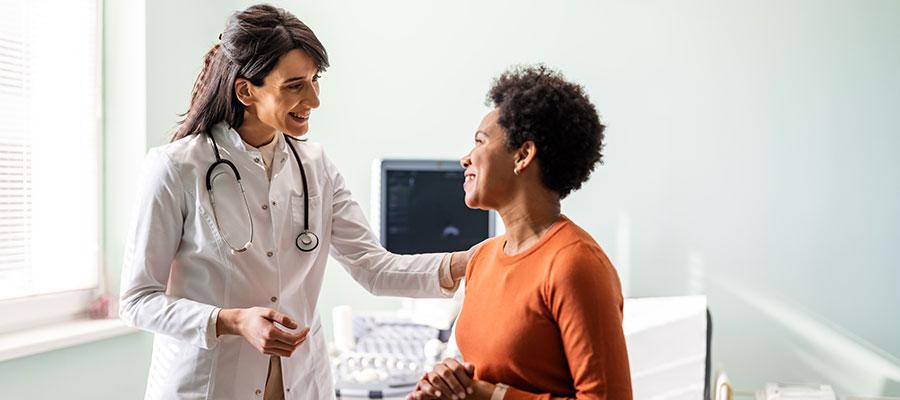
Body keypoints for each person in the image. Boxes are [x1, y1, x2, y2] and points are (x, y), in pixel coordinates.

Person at [119, 4, 473, 399]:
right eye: (294, 85)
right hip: (208, 386)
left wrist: (476, 262)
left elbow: (374, 268)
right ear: (246, 91)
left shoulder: (315, 166)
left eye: (314, 80)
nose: (314, 100)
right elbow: (138, 300)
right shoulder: (176, 168)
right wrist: (232, 321)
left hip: (301, 384)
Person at [409, 65, 633, 400]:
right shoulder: (482, 259)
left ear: (523, 155)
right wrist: (445, 388)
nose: (464, 159)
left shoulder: (575, 264)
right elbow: (484, 376)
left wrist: (491, 395)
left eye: (479, 142)